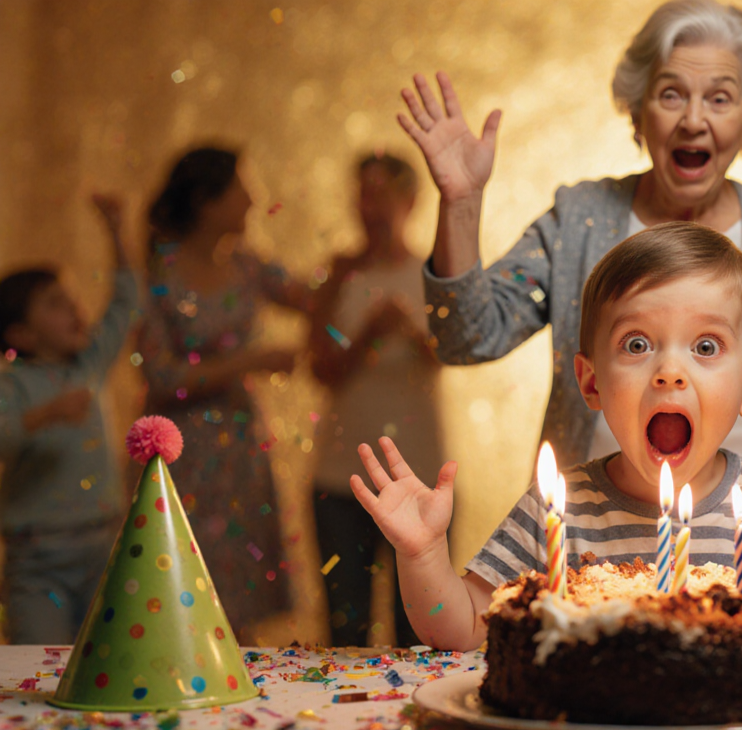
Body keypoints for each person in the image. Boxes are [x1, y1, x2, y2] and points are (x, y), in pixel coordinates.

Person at [351, 222, 742, 651]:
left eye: (706, 346)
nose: (670, 370)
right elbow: (460, 630)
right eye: (637, 344)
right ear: (592, 383)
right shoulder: (559, 510)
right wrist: (422, 554)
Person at [403, 0, 742, 486]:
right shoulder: (579, 219)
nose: (693, 120)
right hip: (588, 541)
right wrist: (461, 204)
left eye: (719, 98)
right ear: (638, 115)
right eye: (671, 94)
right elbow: (465, 339)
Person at [139, 147, 309, 642]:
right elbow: (162, 377)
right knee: (184, 584)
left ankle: (235, 682)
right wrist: (250, 361)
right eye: (239, 188)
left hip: (240, 446)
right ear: (206, 201)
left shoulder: (248, 265)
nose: (253, 200)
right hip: (182, 450)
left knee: (241, 595)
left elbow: (312, 300)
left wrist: (354, 264)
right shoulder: (159, 272)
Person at [308, 153, 444, 647]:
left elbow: (454, 354)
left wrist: (409, 330)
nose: (371, 206)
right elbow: (319, 366)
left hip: (420, 474)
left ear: (410, 201)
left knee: (422, 631)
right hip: (341, 478)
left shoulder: (434, 273)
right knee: (346, 631)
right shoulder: (340, 273)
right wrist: (366, 336)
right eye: (364, 193)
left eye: (383, 193)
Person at [0, 194, 139, 644]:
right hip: (38, 560)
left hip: (103, 548)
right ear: (20, 333)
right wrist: (44, 415)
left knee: (103, 661)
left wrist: (117, 230)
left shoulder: (88, 365)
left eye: (73, 299)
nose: (77, 309)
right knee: (39, 665)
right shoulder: (13, 384)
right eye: (56, 304)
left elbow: (126, 302)